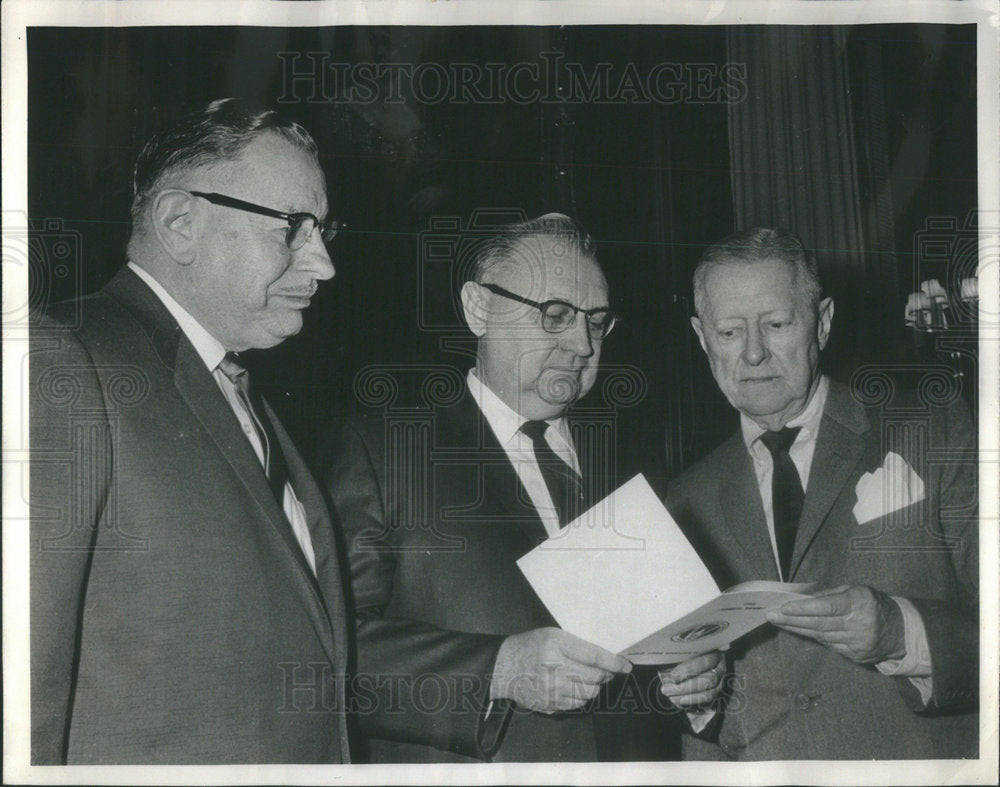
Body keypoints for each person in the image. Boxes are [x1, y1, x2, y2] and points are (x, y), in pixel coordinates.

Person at [322, 214, 724, 762]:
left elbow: (666, 655)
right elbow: (331, 652)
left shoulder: (635, 464)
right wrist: (500, 669)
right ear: (478, 308)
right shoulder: (387, 449)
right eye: (555, 314)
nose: (582, 343)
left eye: (597, 320)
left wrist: (698, 682)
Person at [29, 99, 351, 764]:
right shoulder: (62, 360)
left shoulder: (242, 394)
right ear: (180, 223)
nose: (323, 265)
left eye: (323, 230)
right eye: (293, 227)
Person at [667, 227, 978, 759]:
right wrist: (698, 695)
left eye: (776, 324)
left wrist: (901, 633)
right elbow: (698, 709)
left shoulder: (931, 428)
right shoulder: (684, 499)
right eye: (729, 332)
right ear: (701, 338)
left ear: (823, 322)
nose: (754, 354)